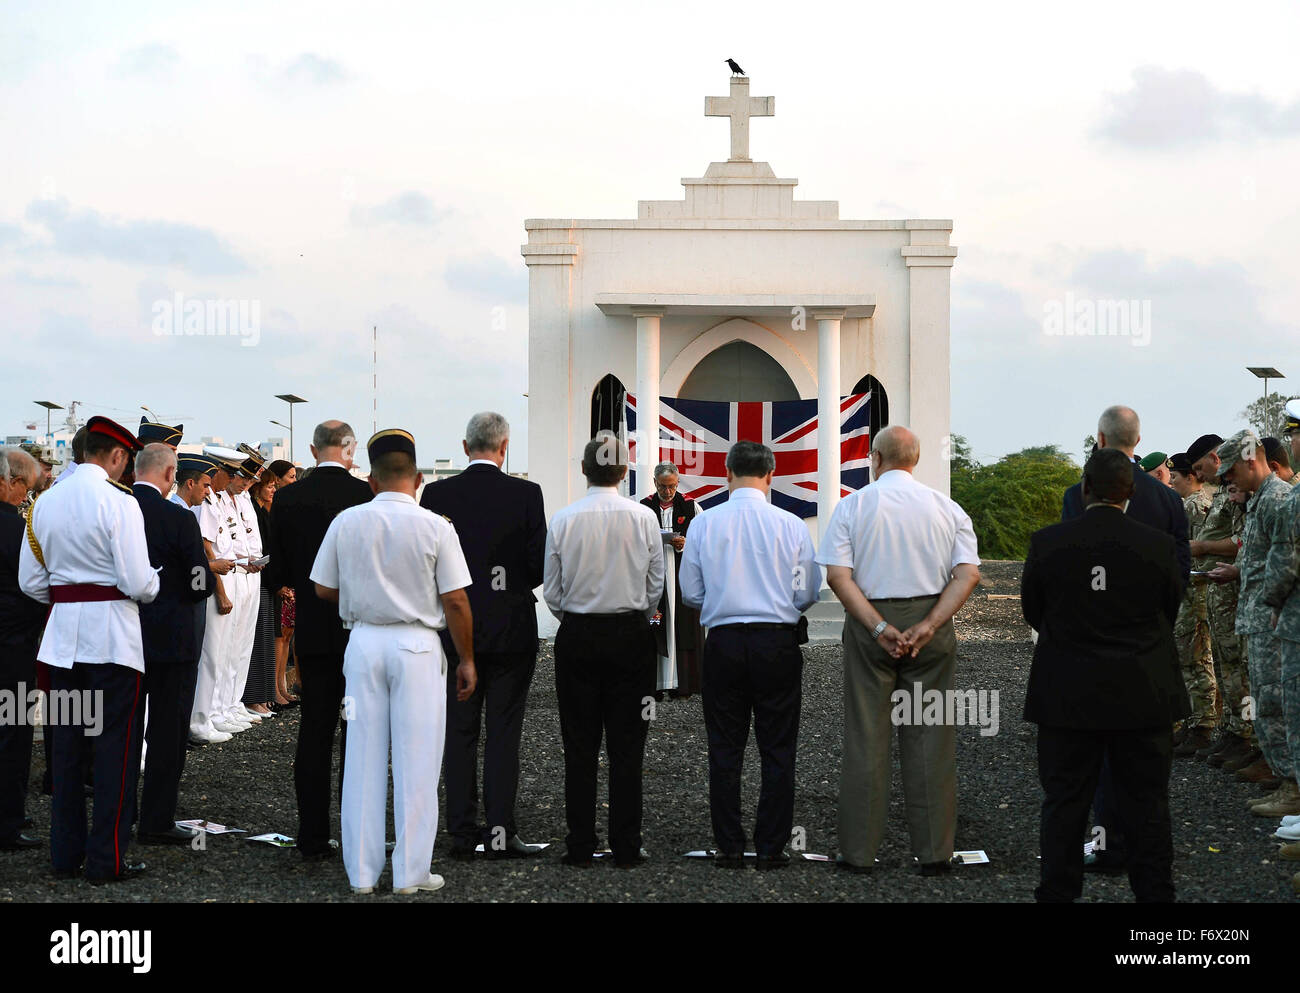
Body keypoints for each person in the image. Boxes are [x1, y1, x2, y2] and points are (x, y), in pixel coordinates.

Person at [311, 429, 476, 894]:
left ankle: (361, 875)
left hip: (363, 644)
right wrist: (466, 658)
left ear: (372, 480)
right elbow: (457, 601)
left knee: (362, 758)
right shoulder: (436, 526)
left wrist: (366, 592)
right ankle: (410, 873)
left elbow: (322, 588)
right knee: (418, 761)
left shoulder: (347, 521)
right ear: (419, 479)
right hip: (419, 647)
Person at [1023, 448, 1186, 903]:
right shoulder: (1156, 546)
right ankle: (1155, 895)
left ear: (1084, 489)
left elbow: (1035, 612)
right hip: (1143, 691)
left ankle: (1057, 893)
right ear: (1130, 494)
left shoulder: (1048, 543)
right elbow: (1168, 610)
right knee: (1148, 803)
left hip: (1068, 693)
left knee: (1064, 802)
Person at [818, 426, 980, 874]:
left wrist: (878, 627)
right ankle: (933, 853)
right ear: (917, 459)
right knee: (931, 736)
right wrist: (928, 625)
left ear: (875, 458)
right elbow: (967, 574)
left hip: (871, 622)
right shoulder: (947, 508)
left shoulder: (851, 506)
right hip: (932, 623)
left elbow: (837, 576)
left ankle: (859, 853)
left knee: (867, 736)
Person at [19, 416, 160, 884]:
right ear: (118, 456)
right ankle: (107, 859)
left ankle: (65, 855)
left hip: (61, 643)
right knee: (114, 753)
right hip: (112, 642)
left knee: (67, 752)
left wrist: (68, 594)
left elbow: (30, 583)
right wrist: (154, 583)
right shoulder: (120, 503)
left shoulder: (43, 503)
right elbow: (138, 581)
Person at [679, 441, 820, 869]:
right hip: (775, 642)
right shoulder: (791, 525)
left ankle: (730, 846)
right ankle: (772, 847)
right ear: (771, 475)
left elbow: (690, 592)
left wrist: (724, 604)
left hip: (722, 641)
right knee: (778, 747)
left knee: (724, 748)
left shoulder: (705, 525)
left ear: (728, 473)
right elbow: (807, 591)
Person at [1060, 406, 1189, 875]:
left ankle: (1107, 844)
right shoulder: (1167, 499)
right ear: (1138, 440)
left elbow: (1066, 571)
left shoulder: (1079, 495)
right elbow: (1179, 575)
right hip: (1148, 643)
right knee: (1145, 759)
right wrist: (1157, 623)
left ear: (1099, 438)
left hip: (1092, 646)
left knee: (1096, 756)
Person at [420, 412, 547, 859]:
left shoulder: (436, 493)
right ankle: (498, 832)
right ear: (505, 446)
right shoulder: (526, 494)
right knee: (504, 732)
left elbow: (426, 563)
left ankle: (459, 831)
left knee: (459, 731)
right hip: (511, 626)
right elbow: (537, 566)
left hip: (455, 629)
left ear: (464, 445)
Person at [543, 433, 664, 867]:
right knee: (628, 746)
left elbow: (552, 591)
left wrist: (576, 618)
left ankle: (579, 844)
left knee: (578, 743)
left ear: (583, 469)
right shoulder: (644, 518)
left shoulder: (563, 519)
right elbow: (655, 585)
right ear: (625, 471)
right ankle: (627, 846)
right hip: (630, 634)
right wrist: (637, 615)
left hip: (578, 634)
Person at [267, 421, 372, 860]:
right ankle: (355, 831)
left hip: (312, 627)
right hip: (358, 628)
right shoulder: (365, 495)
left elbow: (276, 573)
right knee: (357, 732)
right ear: (349, 449)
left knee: (314, 731)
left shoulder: (288, 497)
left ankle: (311, 835)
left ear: (312, 450)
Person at [1208, 430, 1299, 818]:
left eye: (1230, 472)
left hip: (1272, 618)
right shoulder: (1263, 500)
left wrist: (1275, 602)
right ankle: (1287, 783)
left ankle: (1292, 788)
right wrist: (1240, 570)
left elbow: (1286, 560)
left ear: (1251, 460)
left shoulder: (1277, 499)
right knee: (1267, 700)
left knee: (1278, 703)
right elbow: (1263, 556)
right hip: (1260, 614)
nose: (1228, 481)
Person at [131, 444, 214, 845]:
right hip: (173, 638)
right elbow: (200, 579)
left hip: (126, 637)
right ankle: (156, 818)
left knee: (124, 731)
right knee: (167, 733)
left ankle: (120, 811)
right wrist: (199, 587)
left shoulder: (118, 509)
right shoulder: (178, 519)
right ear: (169, 475)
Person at [1187, 433, 1255, 770]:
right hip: (1218, 590)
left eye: (1201, 468)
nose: (1199, 476)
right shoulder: (1223, 493)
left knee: (1241, 669)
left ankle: (1247, 735)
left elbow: (1244, 541)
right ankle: (1234, 730)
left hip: (1234, 590)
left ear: (1216, 458)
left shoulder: (1238, 493)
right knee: (1227, 665)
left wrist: (1203, 548)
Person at [0, 449, 49, 851]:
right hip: (11, 649)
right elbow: (34, 590)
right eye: (26, 491)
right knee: (12, 735)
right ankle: (7, 821)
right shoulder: (17, 532)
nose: (26, 499)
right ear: (12, 482)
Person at [190, 448, 242, 745]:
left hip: (228, 573)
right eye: (230, 473)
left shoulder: (217, 500)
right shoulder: (205, 504)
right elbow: (207, 549)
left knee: (225, 652)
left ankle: (214, 711)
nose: (233, 479)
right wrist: (221, 591)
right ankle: (200, 718)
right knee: (211, 655)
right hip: (215, 579)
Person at [1167, 452, 1218, 756]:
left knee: (1196, 660)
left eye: (1175, 476)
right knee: (1189, 660)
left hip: (1195, 595)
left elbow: (1197, 554)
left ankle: (1204, 725)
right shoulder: (1187, 505)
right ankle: (1196, 721)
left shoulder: (1196, 507)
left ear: (1190, 477)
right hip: (1188, 594)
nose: (1171, 481)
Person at [640, 462, 705, 698]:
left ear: (678, 483)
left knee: (682, 626)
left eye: (672, 486)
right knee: (655, 624)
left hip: (680, 579)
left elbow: (703, 540)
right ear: (654, 482)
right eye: (663, 486)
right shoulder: (644, 508)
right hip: (654, 581)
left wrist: (686, 544)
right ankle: (655, 684)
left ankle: (681, 683)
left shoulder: (691, 506)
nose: (667, 492)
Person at [242, 463, 277, 718]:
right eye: (269, 485)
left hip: (260, 577)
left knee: (261, 642)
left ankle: (263, 696)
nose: (273, 489)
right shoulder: (251, 506)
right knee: (250, 643)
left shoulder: (261, 511)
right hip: (247, 576)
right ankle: (253, 697)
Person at [265, 460, 298, 707]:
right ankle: (274, 690)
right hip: (272, 581)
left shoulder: (283, 507)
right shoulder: (267, 509)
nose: (292, 482)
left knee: (285, 636)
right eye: (290, 477)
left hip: (284, 581)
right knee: (278, 636)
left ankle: (281, 687)